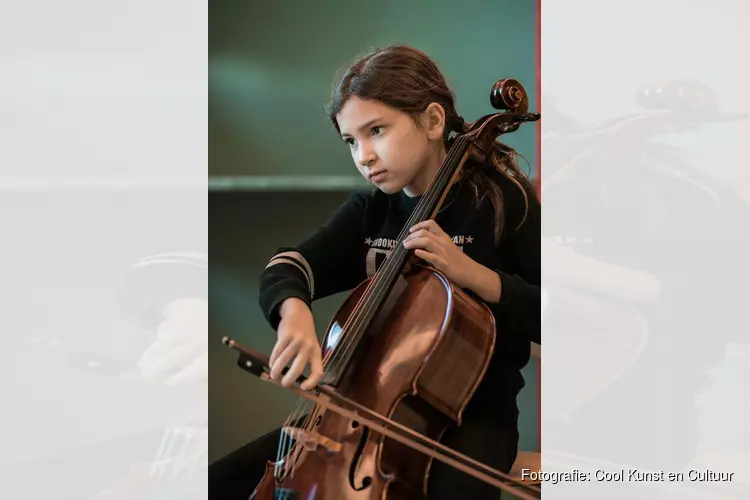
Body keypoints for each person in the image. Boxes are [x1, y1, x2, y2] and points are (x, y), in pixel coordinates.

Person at [209, 44, 540, 500]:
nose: (363, 155)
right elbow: (291, 264)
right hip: (352, 419)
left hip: (469, 422)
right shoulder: (371, 210)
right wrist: (295, 318)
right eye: (351, 141)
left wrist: (473, 274)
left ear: (432, 121)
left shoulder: (504, 202)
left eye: (376, 131)